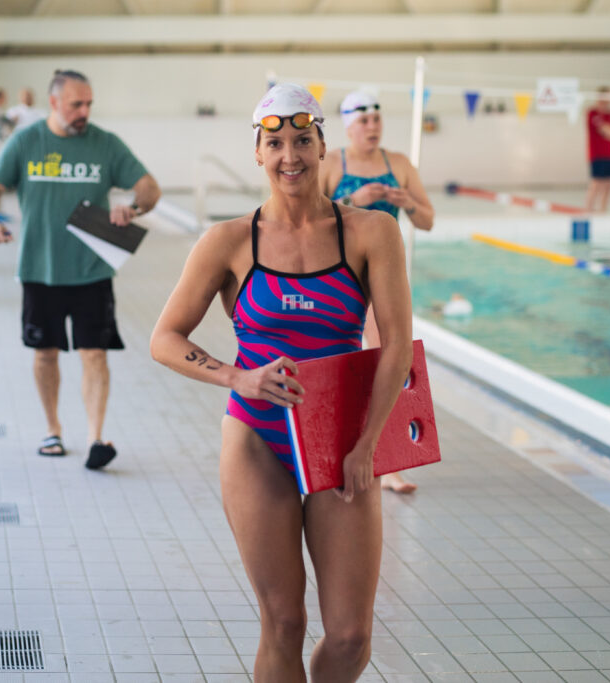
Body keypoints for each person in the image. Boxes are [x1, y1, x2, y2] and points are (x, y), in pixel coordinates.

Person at [150, 83, 412, 681]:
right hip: (258, 441)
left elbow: (395, 345)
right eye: (275, 144)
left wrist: (369, 445)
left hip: (343, 441)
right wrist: (236, 376)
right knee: (284, 622)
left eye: (301, 140)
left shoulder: (370, 232)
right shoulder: (228, 241)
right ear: (258, 154)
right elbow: (164, 338)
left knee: (350, 636)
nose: (289, 155)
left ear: (322, 147)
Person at [0, 69, 161, 470]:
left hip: (92, 270)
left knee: (94, 353)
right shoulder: (26, 141)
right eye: (76, 104)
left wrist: (132, 207)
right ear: (54, 103)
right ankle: (53, 430)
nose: (84, 112)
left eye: (89, 104)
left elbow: (149, 187)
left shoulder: (105, 144)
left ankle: (95, 437)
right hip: (40, 269)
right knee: (46, 353)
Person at [320, 89, 433, 494]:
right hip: (342, 276)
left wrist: (407, 202)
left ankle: (389, 462)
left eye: (377, 119)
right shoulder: (332, 163)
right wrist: (354, 199)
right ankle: (350, 453)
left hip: (386, 275)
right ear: (349, 126)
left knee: (394, 361)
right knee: (354, 363)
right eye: (364, 121)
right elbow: (310, 218)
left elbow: (427, 220)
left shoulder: (398, 164)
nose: (372, 127)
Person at [585, 86, 610, 213]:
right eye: (608, 97)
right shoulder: (592, 113)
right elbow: (605, 130)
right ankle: (588, 210)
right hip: (597, 154)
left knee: (608, 184)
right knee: (596, 183)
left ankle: (603, 211)